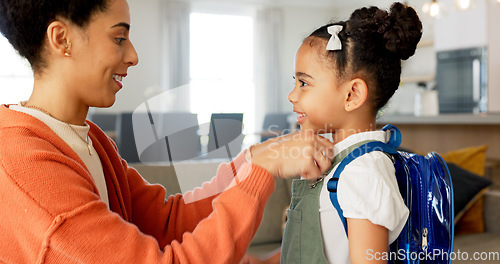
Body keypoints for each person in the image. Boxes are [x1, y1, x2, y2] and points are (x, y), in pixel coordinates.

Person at [0, 0, 335, 263]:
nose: (133, 55)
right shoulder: (26, 165)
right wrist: (261, 172)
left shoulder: (91, 140)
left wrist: (253, 160)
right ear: (62, 39)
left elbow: (169, 221)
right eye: (119, 38)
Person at [241, 2, 422, 264]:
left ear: (352, 95)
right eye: (295, 82)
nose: (292, 95)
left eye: (304, 83)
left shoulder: (363, 172)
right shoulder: (340, 163)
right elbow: (327, 244)